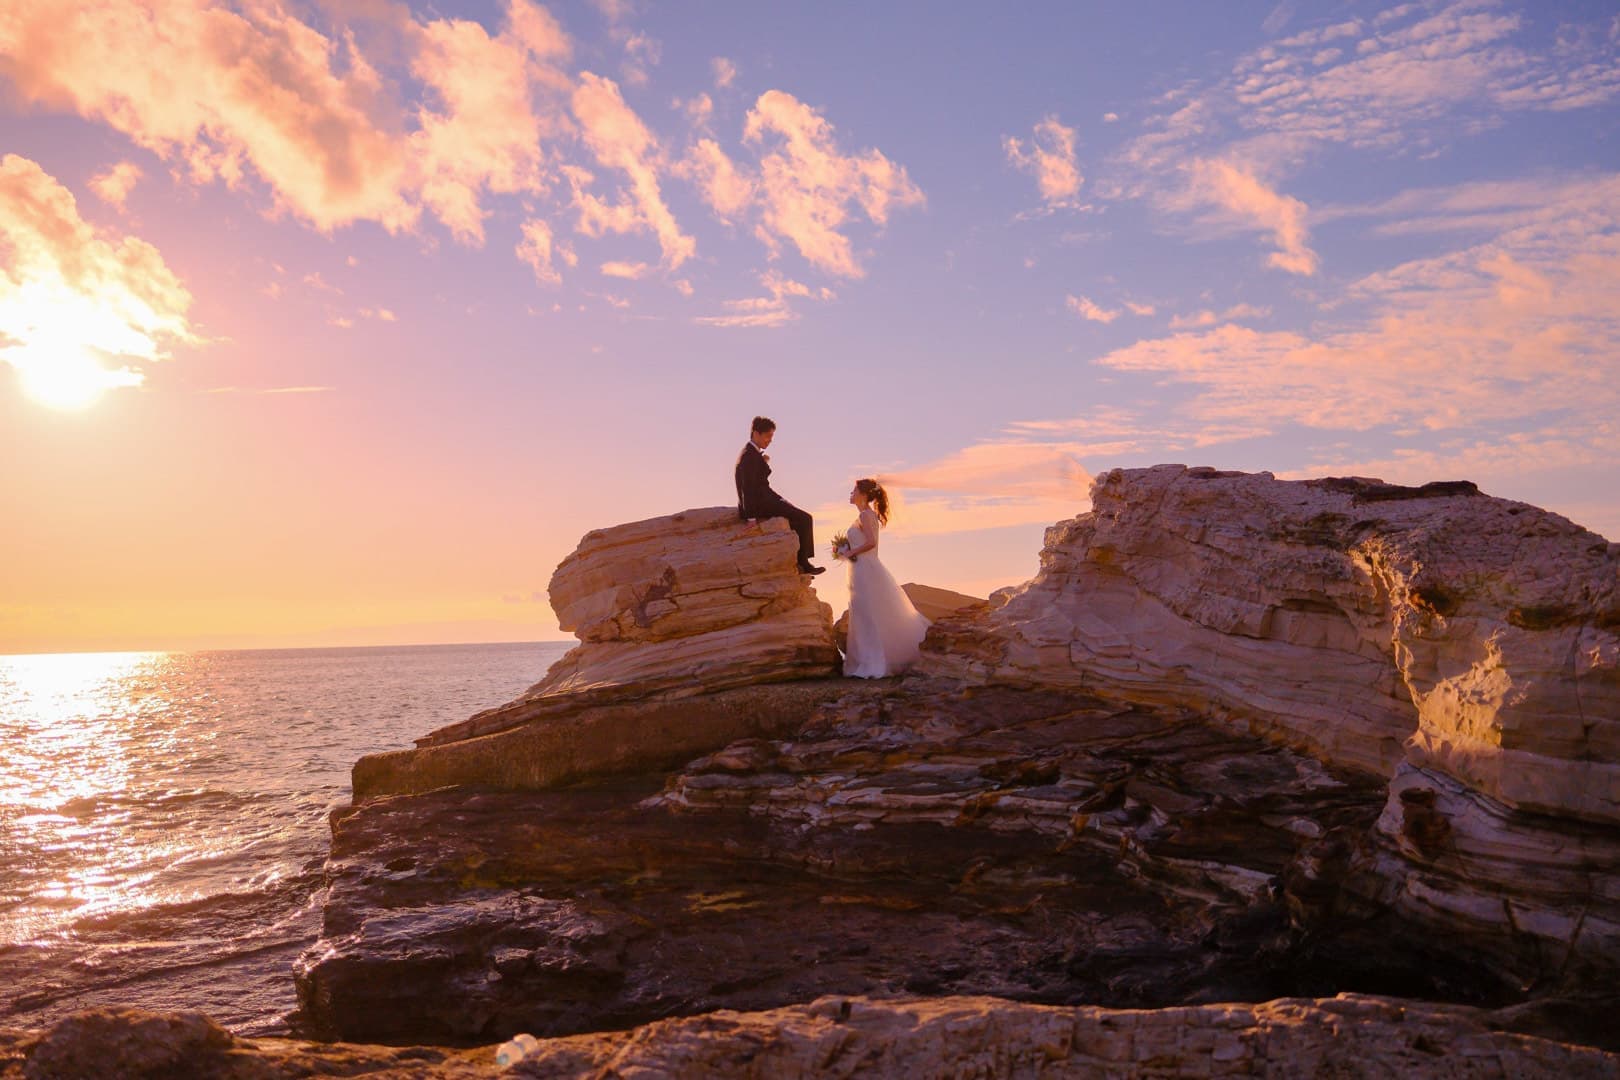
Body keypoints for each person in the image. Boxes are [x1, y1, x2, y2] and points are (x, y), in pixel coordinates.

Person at [837, 478, 929, 677]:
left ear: (862, 494)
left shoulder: (866, 515)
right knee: (863, 614)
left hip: (865, 568)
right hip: (861, 568)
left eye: (853, 490)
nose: (851, 494)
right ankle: (865, 661)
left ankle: (875, 663)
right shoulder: (864, 515)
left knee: (869, 614)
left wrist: (850, 553)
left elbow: (871, 542)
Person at [735, 416, 824, 575]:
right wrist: (750, 518)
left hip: (766, 499)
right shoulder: (749, 455)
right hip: (759, 504)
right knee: (805, 519)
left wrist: (782, 500)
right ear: (756, 433)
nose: (770, 440)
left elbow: (762, 485)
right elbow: (747, 488)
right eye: (767, 436)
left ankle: (798, 561)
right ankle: (804, 563)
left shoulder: (752, 453)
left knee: (797, 517)